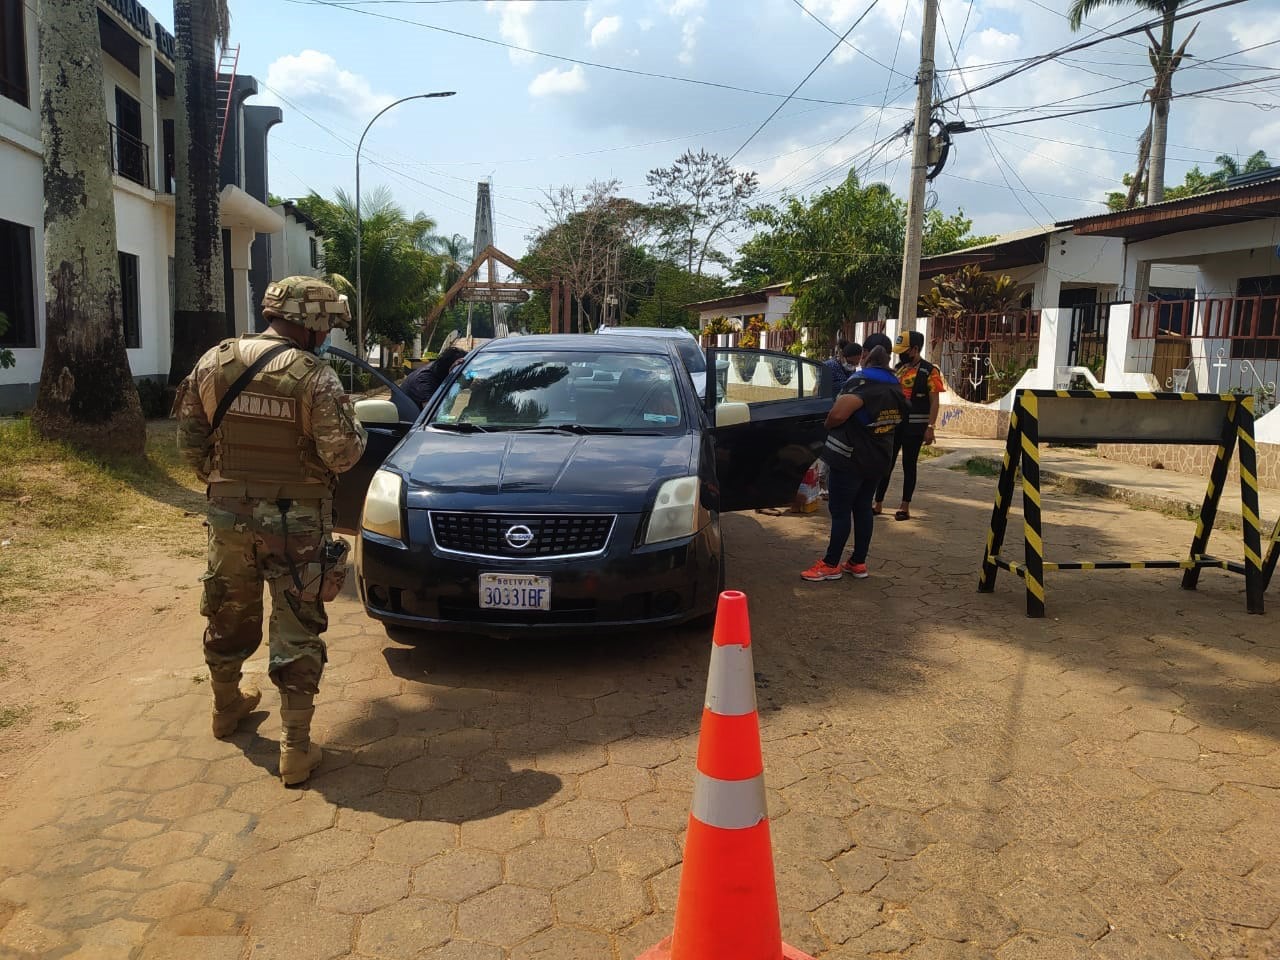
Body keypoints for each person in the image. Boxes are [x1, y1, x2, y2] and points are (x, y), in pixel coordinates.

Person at [174, 276, 368, 786]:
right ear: (314, 321)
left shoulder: (213, 362)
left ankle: (225, 707)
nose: (327, 335)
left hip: (228, 517)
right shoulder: (315, 376)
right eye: (327, 325)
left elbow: (190, 446)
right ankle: (295, 750)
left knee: (228, 607)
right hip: (297, 522)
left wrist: (232, 489)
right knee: (298, 625)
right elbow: (343, 456)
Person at [802, 345, 906, 581]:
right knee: (862, 509)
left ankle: (830, 564)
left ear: (866, 359)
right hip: (879, 457)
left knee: (840, 512)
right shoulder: (895, 384)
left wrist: (826, 426)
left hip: (850, 458)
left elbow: (838, 415)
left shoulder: (861, 382)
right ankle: (858, 562)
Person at [874, 329, 945, 521]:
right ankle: (877, 502)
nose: (900, 354)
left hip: (915, 428)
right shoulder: (898, 368)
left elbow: (934, 401)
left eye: (904, 350)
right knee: (885, 463)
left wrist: (931, 427)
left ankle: (904, 506)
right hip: (894, 425)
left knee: (909, 465)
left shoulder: (930, 371)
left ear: (914, 349)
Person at [402, 346, 467, 409]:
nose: (463, 374)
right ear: (453, 366)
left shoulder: (440, 370)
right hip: (412, 418)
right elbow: (430, 410)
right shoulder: (425, 380)